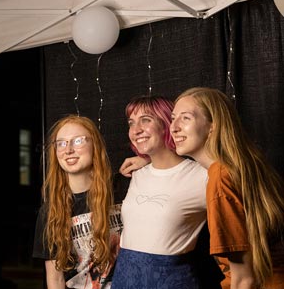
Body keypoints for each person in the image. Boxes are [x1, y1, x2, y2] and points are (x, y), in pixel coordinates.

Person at [169, 87, 284, 289]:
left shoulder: (221, 178)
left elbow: (245, 279)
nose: (174, 127)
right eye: (173, 118)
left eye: (185, 118)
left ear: (212, 126)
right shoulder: (244, 165)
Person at [112, 95, 222, 288]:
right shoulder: (136, 173)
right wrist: (147, 159)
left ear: (167, 123)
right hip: (125, 279)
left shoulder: (203, 176)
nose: (136, 130)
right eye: (131, 123)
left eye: (146, 120)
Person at [32, 114, 122, 289]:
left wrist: (146, 160)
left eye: (78, 141)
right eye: (62, 143)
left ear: (95, 145)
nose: (68, 150)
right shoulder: (50, 212)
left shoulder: (123, 188)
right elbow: (56, 279)